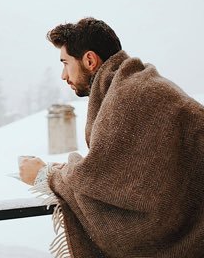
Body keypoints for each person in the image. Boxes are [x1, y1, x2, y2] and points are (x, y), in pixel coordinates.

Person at [19, 17, 204, 258]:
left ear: (89, 60)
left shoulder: (129, 95)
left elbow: (105, 185)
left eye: (65, 63)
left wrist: (46, 175)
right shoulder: (140, 84)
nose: (63, 75)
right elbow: (126, 171)